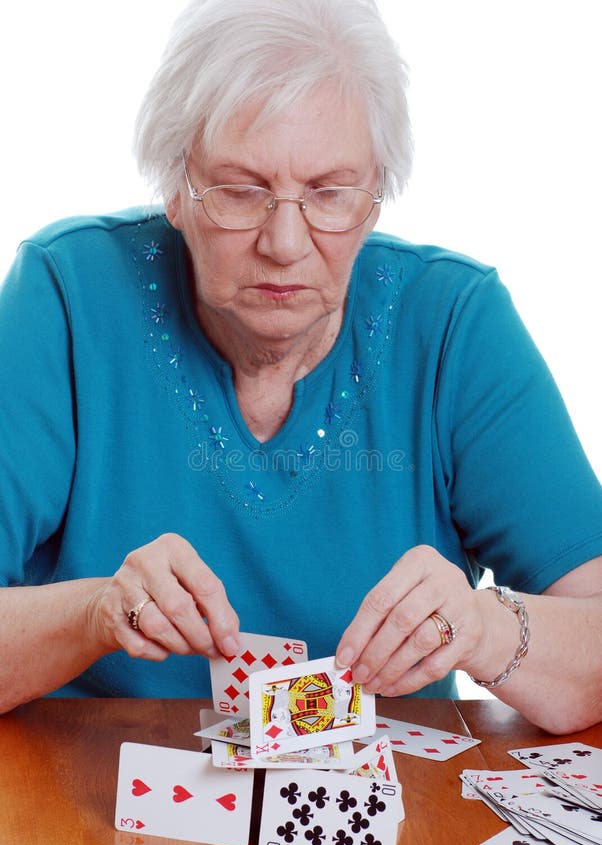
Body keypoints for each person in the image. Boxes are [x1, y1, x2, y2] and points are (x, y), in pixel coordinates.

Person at [1, 0, 600, 732]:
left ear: (376, 196)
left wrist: (482, 627)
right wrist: (95, 613)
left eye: (328, 193)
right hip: (82, 808)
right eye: (241, 191)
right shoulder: (68, 295)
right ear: (175, 187)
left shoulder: (453, 325)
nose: (285, 242)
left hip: (391, 829)